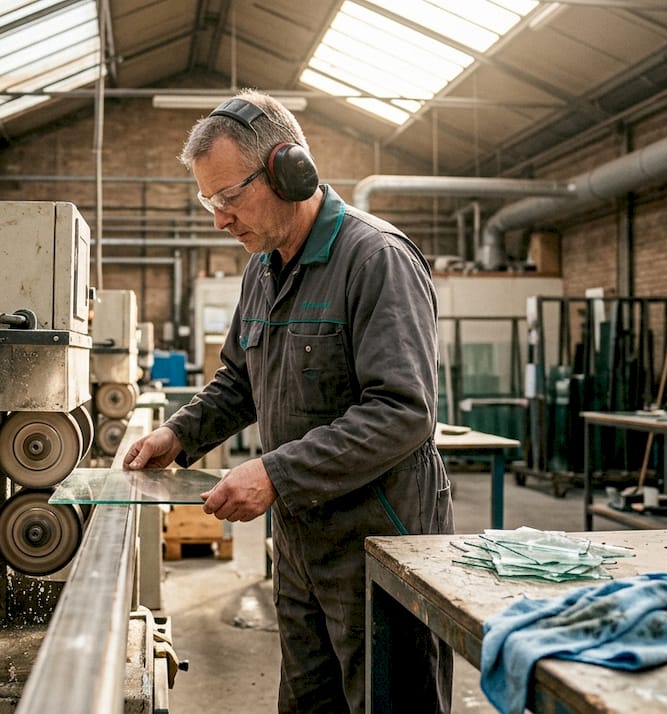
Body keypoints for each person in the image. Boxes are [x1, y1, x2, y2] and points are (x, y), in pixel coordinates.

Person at [123, 89, 454, 713]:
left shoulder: (376, 259)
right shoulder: (263, 267)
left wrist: (275, 473)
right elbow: (240, 381)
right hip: (302, 544)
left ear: (289, 171)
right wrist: (178, 434)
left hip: (383, 544)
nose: (220, 220)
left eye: (229, 197)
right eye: (209, 202)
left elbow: (403, 412)